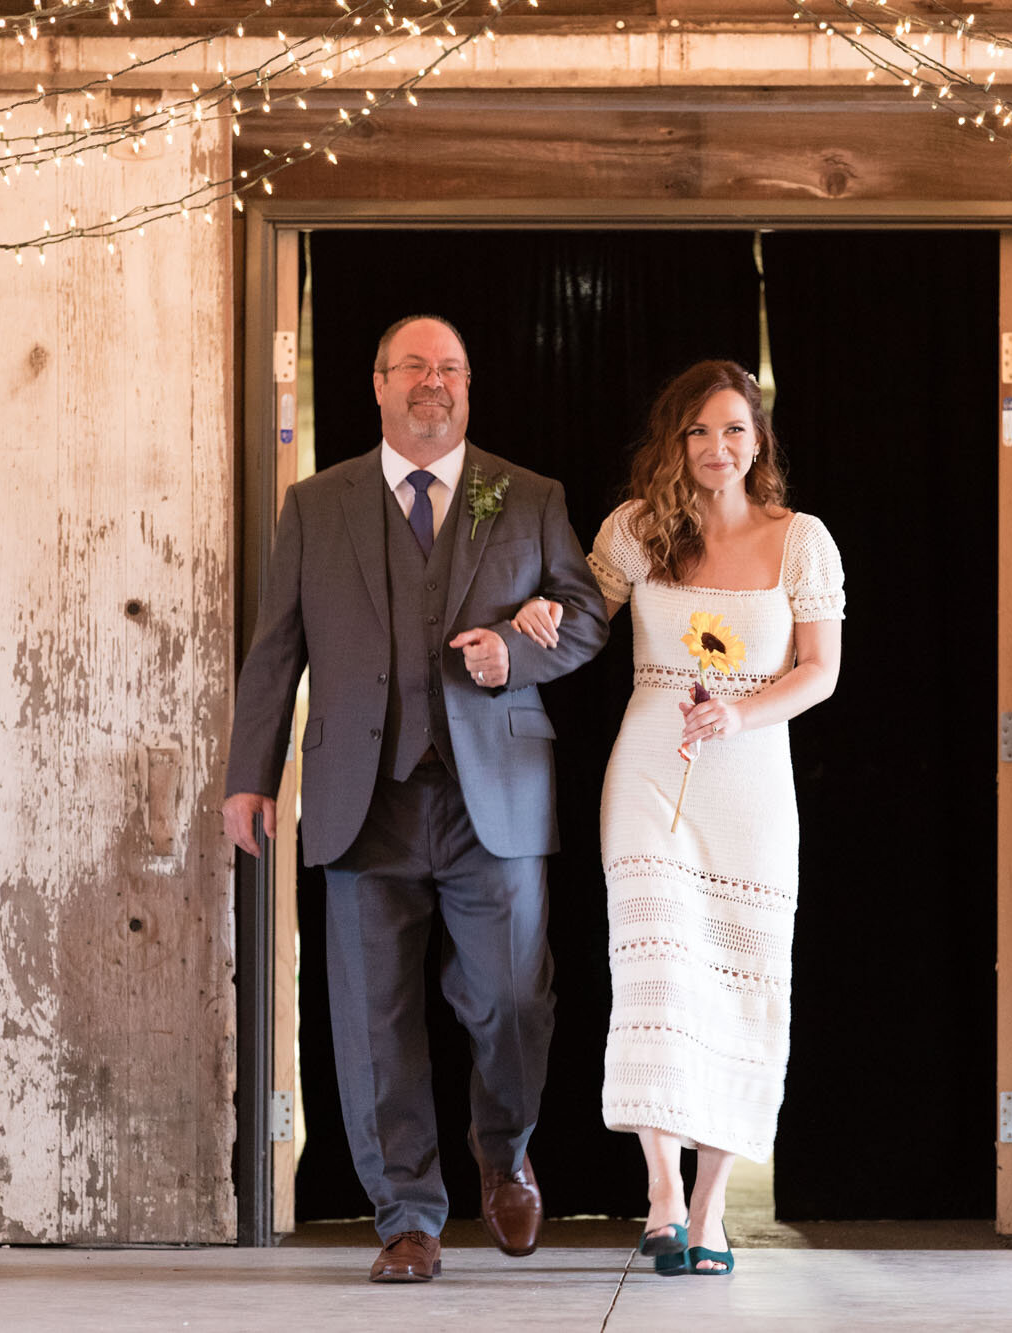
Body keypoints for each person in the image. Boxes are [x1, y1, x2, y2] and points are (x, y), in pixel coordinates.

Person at [222, 314, 609, 1283]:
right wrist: (247, 774)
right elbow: (277, 649)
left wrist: (513, 654)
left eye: (449, 369)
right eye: (413, 367)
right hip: (364, 798)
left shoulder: (523, 495)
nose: (431, 382)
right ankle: (407, 1218)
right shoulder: (317, 504)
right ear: (377, 384)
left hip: (498, 799)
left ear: (468, 388)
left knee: (515, 1004)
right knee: (371, 1018)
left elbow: (589, 616)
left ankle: (505, 1148)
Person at [515, 360, 842, 1276]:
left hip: (750, 776)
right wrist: (542, 608)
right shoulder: (635, 527)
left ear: (759, 440)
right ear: (677, 441)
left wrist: (740, 711)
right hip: (652, 768)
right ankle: (660, 1193)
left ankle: (711, 1210)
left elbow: (821, 670)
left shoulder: (801, 540)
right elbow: (585, 618)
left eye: (734, 429)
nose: (716, 447)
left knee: (740, 983)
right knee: (656, 976)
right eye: (698, 431)